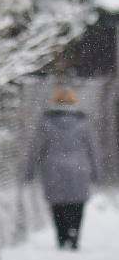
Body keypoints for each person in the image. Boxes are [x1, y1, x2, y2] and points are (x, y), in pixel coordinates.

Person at [24, 85, 100, 250]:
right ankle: (73, 236)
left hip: (53, 170)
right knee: (77, 204)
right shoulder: (83, 121)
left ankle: (62, 236)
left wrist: (29, 171)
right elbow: (92, 149)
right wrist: (96, 172)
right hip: (79, 168)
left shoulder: (45, 121)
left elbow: (36, 148)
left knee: (58, 205)